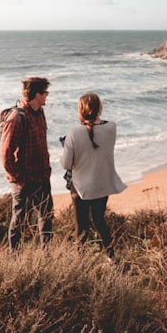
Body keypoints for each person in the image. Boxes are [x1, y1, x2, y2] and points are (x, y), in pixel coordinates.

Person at [60, 92, 127, 261]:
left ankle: (81, 262)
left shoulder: (74, 132)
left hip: (81, 187)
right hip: (102, 184)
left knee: (81, 227)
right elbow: (96, 145)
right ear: (100, 109)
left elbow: (66, 164)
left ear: (80, 111)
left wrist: (66, 145)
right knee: (99, 220)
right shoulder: (111, 127)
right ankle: (112, 257)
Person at [0, 76, 53, 251]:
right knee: (19, 222)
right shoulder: (16, 118)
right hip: (25, 182)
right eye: (45, 93)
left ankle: (48, 257)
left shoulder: (39, 113)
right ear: (37, 94)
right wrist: (20, 180)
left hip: (42, 177)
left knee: (47, 219)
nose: (47, 96)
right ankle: (15, 259)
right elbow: (5, 155)